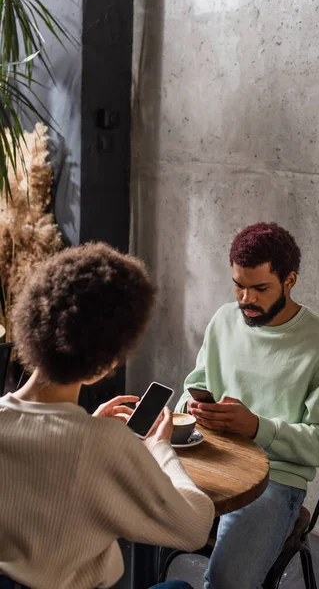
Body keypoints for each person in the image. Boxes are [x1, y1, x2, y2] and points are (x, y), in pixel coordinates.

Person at [0, 243, 214, 589]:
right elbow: (194, 528)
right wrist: (160, 449)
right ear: (105, 364)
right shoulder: (101, 443)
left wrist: (86, 424)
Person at [175, 222, 319, 589]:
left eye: (260, 288)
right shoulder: (225, 320)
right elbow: (194, 387)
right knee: (125, 520)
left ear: (289, 281)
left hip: (276, 479)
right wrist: (191, 410)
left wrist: (258, 428)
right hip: (211, 459)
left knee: (227, 581)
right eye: (239, 285)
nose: (246, 299)